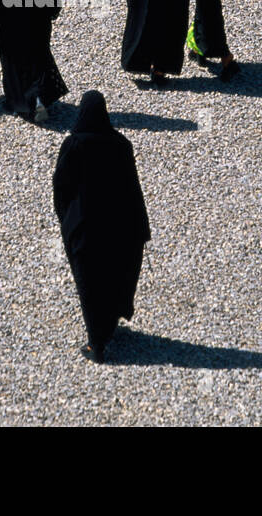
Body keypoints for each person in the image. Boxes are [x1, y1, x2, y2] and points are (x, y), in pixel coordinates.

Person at [52, 91, 152, 363]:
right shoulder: (121, 144)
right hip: (120, 227)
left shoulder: (73, 144)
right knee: (114, 274)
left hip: (84, 227)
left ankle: (97, 343)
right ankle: (109, 325)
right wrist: (142, 227)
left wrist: (65, 218)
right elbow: (133, 188)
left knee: (90, 283)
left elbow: (61, 187)